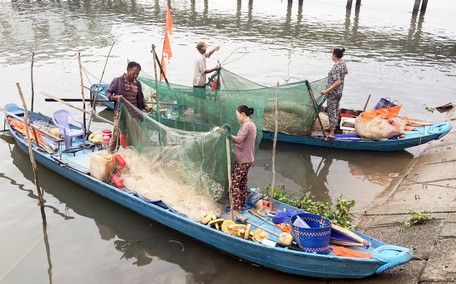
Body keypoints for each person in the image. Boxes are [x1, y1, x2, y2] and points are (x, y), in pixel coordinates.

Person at [106, 61, 150, 152]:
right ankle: (111, 153)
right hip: (121, 114)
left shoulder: (137, 83)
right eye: (134, 73)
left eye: (137, 74)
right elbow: (107, 92)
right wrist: (114, 97)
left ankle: (130, 155)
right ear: (128, 70)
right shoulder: (117, 81)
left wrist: (145, 106)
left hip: (134, 115)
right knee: (117, 135)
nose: (135, 75)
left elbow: (140, 97)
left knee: (133, 137)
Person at [229, 105, 257, 215]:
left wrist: (227, 134)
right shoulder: (252, 124)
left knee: (234, 183)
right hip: (248, 158)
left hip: (243, 160)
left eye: (237, 115)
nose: (237, 118)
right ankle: (241, 203)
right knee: (242, 182)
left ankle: (236, 208)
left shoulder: (247, 125)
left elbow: (239, 140)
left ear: (243, 114)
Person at [321, 48, 348, 140]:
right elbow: (346, 72)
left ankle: (332, 133)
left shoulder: (336, 67)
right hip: (339, 92)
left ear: (335, 55)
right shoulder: (342, 63)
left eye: (332, 54)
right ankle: (333, 126)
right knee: (336, 109)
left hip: (333, 93)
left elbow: (337, 82)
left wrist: (326, 91)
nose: (331, 56)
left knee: (331, 111)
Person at [193, 41, 221, 117]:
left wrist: (214, 49)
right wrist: (215, 68)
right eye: (204, 49)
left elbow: (207, 54)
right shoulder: (200, 58)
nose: (205, 50)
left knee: (198, 98)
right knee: (200, 99)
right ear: (200, 49)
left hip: (197, 81)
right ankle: (199, 115)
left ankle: (198, 113)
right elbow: (204, 71)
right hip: (199, 82)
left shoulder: (199, 54)